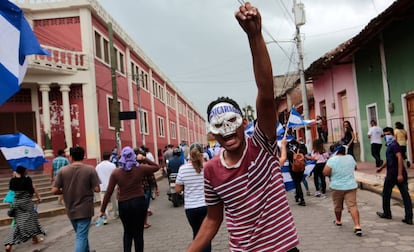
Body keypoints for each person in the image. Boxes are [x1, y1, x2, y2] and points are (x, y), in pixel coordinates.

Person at [187, 3, 299, 251]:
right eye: (219, 125)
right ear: (212, 133)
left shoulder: (262, 144)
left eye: (232, 121)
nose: (226, 129)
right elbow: (213, 219)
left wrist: (255, 36)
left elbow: (266, 93)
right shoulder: (211, 170)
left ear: (245, 123)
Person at [100, 146, 160, 252]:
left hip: (124, 204)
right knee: (138, 233)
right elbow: (156, 167)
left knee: (127, 232)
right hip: (139, 202)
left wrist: (102, 209)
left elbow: (109, 192)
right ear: (133, 156)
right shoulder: (140, 168)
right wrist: (144, 158)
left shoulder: (116, 172)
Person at [51, 146, 101, 252]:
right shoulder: (90, 169)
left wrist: (65, 191)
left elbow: (54, 190)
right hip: (85, 208)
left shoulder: (62, 171)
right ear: (83, 156)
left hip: (70, 208)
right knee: (81, 236)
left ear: (71, 157)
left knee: (80, 235)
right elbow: (97, 189)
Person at [175, 143, 211, 252]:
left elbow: (178, 189)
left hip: (191, 208)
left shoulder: (183, 169)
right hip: (206, 206)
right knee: (206, 236)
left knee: (197, 234)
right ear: (202, 154)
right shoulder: (208, 167)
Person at [323, 144, 362, 236]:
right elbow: (355, 167)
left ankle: (338, 220)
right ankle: (357, 226)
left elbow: (325, 172)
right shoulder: (350, 157)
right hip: (351, 186)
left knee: (337, 206)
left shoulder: (332, 160)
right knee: (352, 206)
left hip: (337, 187)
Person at [376, 127, 413, 225]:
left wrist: (400, 174)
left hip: (395, 174)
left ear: (392, 134)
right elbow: (389, 159)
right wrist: (381, 168)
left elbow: (400, 157)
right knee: (387, 193)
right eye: (384, 135)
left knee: (404, 195)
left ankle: (407, 217)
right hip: (391, 174)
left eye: (388, 134)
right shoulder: (389, 146)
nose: (386, 136)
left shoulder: (394, 145)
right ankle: (389, 213)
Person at [4, 166, 46, 252]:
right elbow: (31, 191)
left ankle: (9, 244)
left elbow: (11, 190)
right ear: (24, 172)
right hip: (27, 203)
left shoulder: (12, 180)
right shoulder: (27, 179)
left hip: (17, 203)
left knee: (16, 224)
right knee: (32, 221)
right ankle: (35, 239)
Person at [96, 151, 118, 223]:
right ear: (109, 157)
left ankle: (105, 218)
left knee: (103, 202)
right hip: (112, 186)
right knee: (114, 201)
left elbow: (96, 177)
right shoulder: (112, 165)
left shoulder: (98, 166)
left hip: (102, 186)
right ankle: (115, 214)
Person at [288, 140, 307, 206]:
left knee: (297, 184)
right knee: (298, 183)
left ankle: (302, 199)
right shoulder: (301, 151)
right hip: (301, 169)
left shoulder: (289, 152)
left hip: (293, 170)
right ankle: (297, 196)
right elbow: (306, 157)